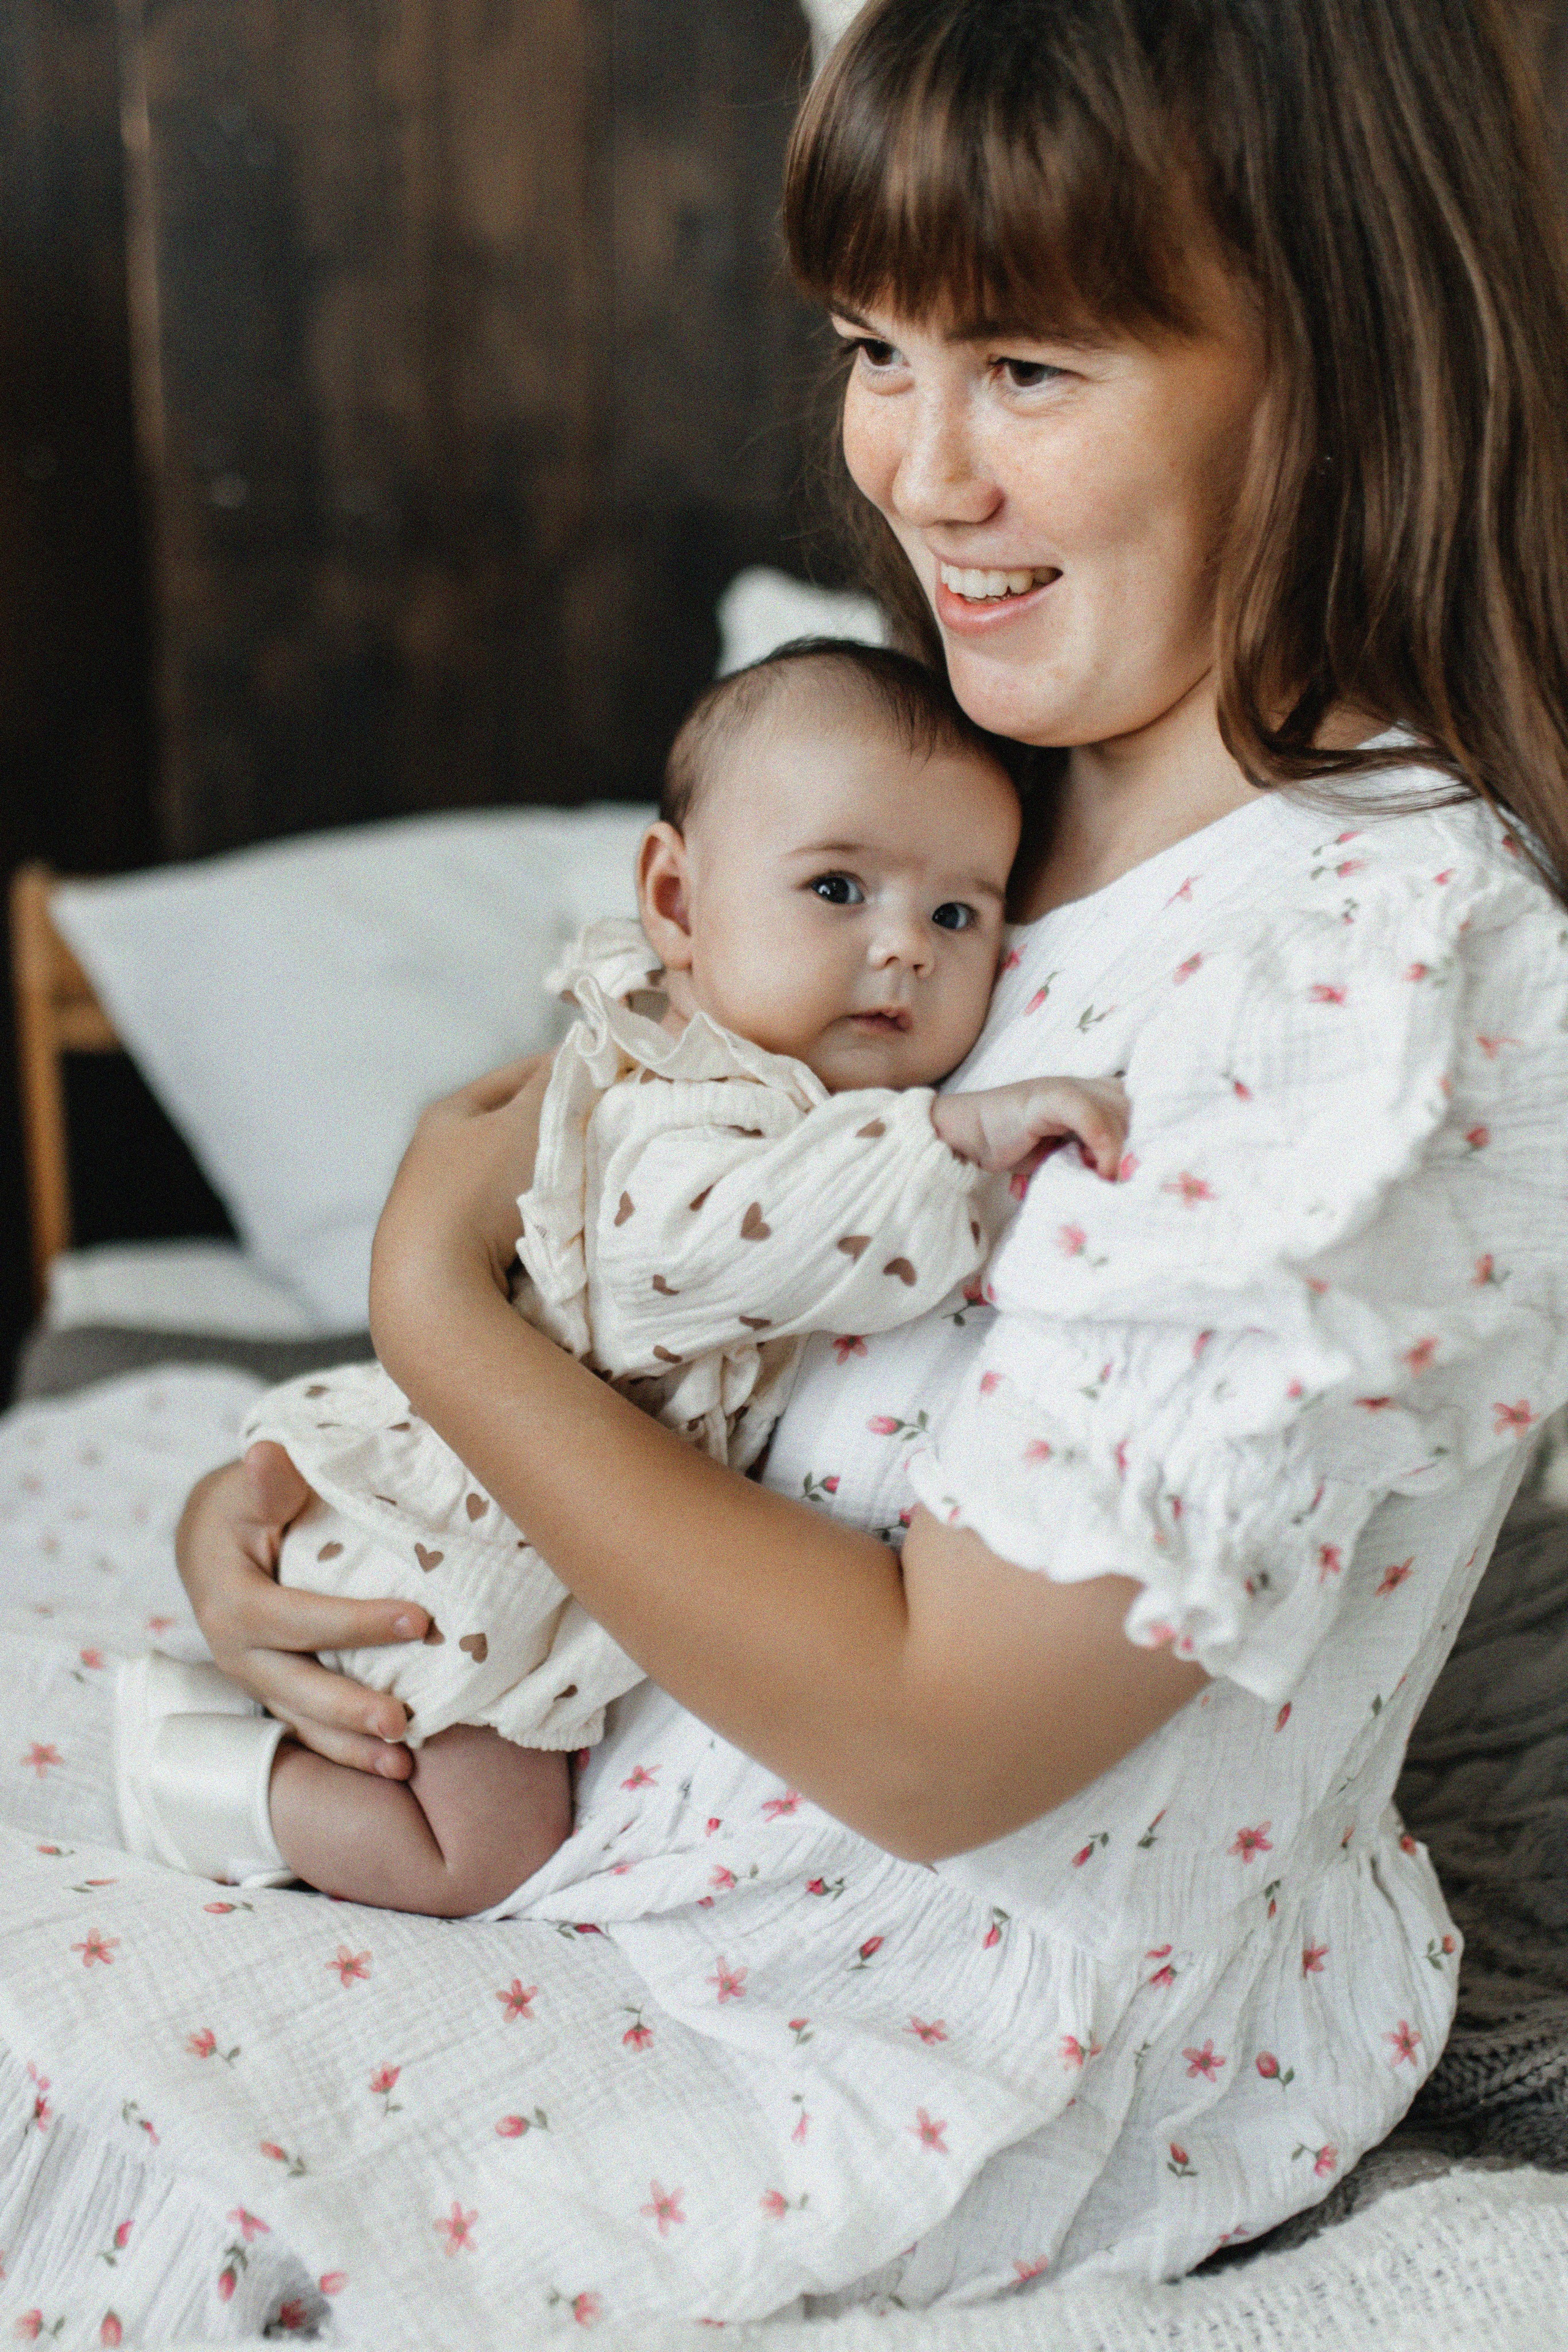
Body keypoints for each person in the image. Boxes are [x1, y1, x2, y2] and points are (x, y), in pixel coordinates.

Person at [170, 0, 1568, 2315]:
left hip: (941, 2058)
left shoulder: (1381, 973)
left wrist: (430, 1317)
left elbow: (945, 1746)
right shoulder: (994, 798)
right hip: (624, 1827)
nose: (916, 471)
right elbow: (619, 1215)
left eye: (1025, 366)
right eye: (870, 344)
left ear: (1333, 349)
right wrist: (358, 1525)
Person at [114, 640, 1126, 1915]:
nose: (903, 950)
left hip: (548, 1519)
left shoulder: (794, 1098)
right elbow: (716, 1245)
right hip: (462, 1538)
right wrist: (956, 1139)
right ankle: (193, 1776)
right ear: (676, 899)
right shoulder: (677, 1099)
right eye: (834, 886)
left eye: (955, 914)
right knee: (482, 1845)